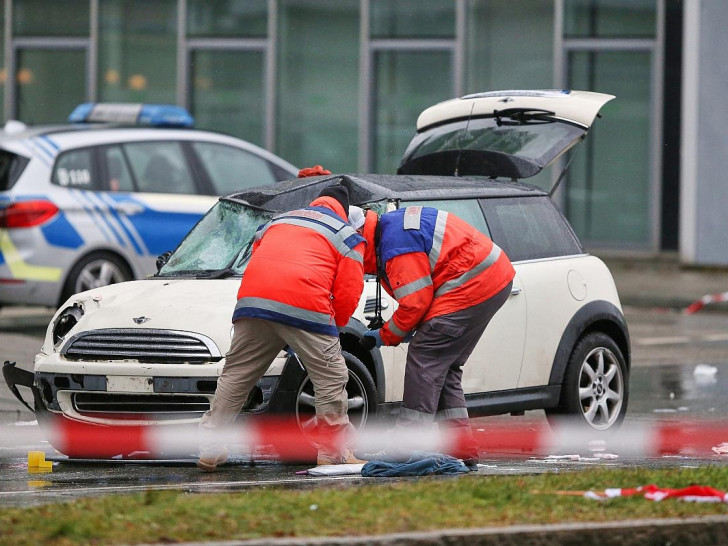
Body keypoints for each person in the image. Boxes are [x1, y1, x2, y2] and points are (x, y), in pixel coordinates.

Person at [197, 183, 367, 471]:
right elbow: (349, 291)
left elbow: (260, 254)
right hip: (306, 304)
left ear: (317, 203)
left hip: (253, 303)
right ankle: (333, 452)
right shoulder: (346, 235)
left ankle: (210, 448)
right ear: (344, 211)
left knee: (236, 375)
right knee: (331, 376)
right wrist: (331, 331)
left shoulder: (279, 220)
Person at [354, 205, 515, 469]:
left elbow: (415, 302)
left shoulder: (395, 246)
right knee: (445, 366)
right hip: (490, 278)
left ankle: (403, 449)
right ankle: (462, 449)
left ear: (359, 235)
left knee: (425, 358)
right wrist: (403, 330)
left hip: (471, 283)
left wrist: (386, 335)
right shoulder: (390, 230)